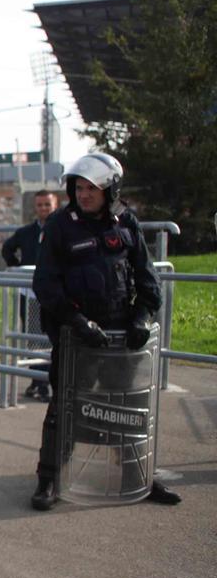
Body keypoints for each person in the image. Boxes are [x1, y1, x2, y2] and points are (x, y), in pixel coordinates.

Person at [29, 153, 181, 510]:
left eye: (92, 189)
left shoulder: (125, 222)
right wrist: (77, 322)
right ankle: (49, 480)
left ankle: (137, 476)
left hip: (120, 338)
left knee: (126, 407)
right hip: (76, 335)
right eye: (79, 187)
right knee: (63, 408)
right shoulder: (59, 226)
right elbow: (46, 284)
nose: (83, 195)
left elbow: (148, 281)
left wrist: (142, 317)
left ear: (109, 189)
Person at [1, 189, 59, 401]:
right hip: (31, 294)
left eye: (48, 204)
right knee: (33, 338)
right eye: (40, 205)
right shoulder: (26, 232)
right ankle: (38, 381)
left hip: (54, 294)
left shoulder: (61, 230)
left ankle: (50, 380)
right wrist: (17, 268)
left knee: (52, 337)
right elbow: (7, 249)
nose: (44, 208)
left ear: (55, 205)